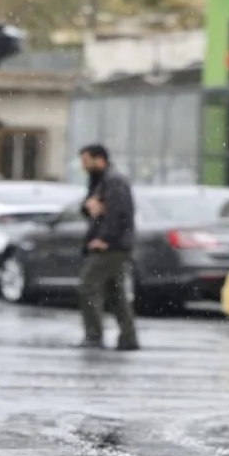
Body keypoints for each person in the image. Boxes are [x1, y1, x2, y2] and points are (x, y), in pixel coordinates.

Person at [77, 144, 139, 351]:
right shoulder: (99, 181)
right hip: (111, 245)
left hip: (111, 247)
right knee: (116, 293)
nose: (83, 166)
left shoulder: (114, 181)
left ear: (99, 159)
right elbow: (92, 208)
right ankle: (128, 337)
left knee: (88, 287)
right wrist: (87, 207)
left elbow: (118, 214)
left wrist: (105, 239)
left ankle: (94, 335)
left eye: (86, 161)